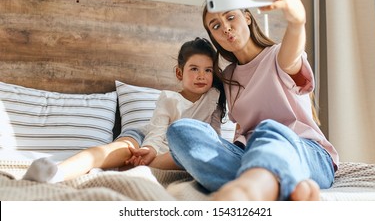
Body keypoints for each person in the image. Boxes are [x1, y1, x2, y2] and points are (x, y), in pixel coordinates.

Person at [166, 0, 339, 201]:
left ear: (247, 17)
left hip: (305, 152)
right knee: (181, 132)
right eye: (216, 26)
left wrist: (297, 21)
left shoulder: (278, 55)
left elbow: (292, 55)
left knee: (268, 130)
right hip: (249, 155)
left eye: (230, 17)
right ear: (213, 36)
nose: (225, 27)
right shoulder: (227, 77)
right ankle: (280, 184)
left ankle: (247, 191)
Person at [22, 37, 226, 183]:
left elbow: (213, 137)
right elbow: (155, 133)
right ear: (179, 73)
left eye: (207, 70)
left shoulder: (214, 97)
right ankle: (57, 172)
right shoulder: (169, 98)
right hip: (144, 137)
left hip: (175, 150)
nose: (202, 76)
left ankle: (133, 166)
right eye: (194, 69)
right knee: (116, 152)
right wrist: (148, 151)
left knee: (187, 155)